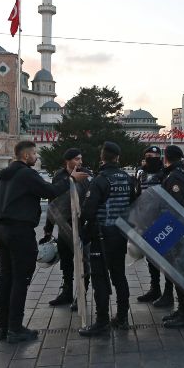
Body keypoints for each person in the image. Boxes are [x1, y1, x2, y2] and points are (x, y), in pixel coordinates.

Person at [0, 140, 88, 343]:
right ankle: (15, 328)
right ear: (26, 156)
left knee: (5, 278)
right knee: (20, 280)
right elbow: (49, 192)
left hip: (2, 231)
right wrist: (71, 179)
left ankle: (2, 327)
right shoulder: (26, 174)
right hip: (20, 232)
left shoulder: (2, 175)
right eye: (35, 154)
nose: (37, 157)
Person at [78, 141, 138, 336]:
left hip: (101, 235)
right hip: (120, 234)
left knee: (100, 278)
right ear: (118, 158)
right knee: (119, 276)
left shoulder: (100, 180)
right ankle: (122, 318)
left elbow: (88, 210)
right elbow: (134, 205)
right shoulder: (128, 179)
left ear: (102, 157)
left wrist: (82, 230)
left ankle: (102, 321)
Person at [45, 148, 92, 310]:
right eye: (77, 159)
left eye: (81, 158)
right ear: (68, 161)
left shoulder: (85, 175)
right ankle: (66, 292)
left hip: (81, 226)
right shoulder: (59, 176)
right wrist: (48, 228)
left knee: (83, 261)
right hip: (64, 225)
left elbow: (90, 198)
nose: (80, 162)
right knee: (66, 261)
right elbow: (53, 202)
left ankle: (81, 295)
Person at [159, 145, 184, 329]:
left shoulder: (175, 176)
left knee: (180, 270)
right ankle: (183, 309)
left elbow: (174, 206)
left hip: (178, 229)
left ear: (166, 157)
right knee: (179, 270)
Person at [136, 146, 175, 307]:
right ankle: (155, 288)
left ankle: (168, 292)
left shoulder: (166, 173)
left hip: (163, 221)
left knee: (166, 258)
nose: (152, 158)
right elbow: (137, 195)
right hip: (147, 221)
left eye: (155, 155)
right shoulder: (141, 173)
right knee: (151, 257)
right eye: (149, 155)